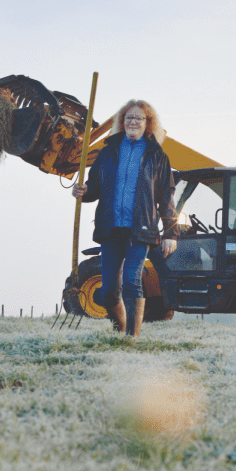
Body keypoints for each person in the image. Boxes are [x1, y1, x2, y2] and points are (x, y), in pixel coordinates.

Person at [71, 100, 177, 336]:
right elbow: (94, 186)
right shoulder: (108, 151)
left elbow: (166, 195)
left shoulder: (156, 155)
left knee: (131, 281)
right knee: (108, 290)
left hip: (140, 230)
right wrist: (83, 192)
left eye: (139, 118)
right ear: (122, 121)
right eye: (129, 117)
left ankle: (132, 337)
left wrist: (171, 232)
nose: (133, 122)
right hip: (111, 229)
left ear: (148, 123)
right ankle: (120, 329)